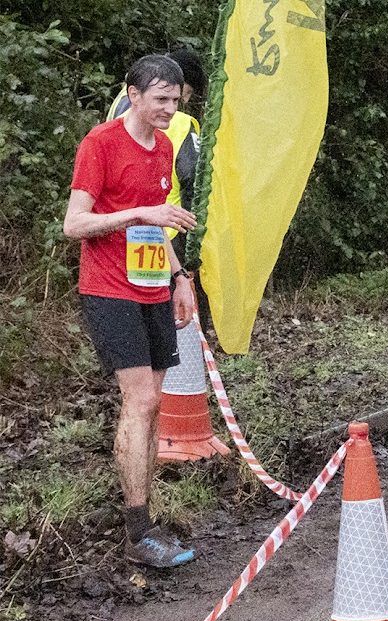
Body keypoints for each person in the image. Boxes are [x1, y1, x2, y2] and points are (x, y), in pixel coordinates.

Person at [64, 55, 199, 568]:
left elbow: (155, 228)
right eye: (160, 98)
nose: (170, 107)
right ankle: (137, 531)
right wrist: (143, 211)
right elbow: (74, 224)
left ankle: (145, 524)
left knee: (153, 405)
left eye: (176, 98)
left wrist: (179, 278)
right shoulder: (100, 143)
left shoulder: (164, 147)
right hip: (107, 288)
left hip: (152, 289)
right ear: (133, 94)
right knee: (140, 401)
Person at [108, 48, 210, 326]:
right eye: (181, 96)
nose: (176, 106)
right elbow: (192, 178)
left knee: (132, 309)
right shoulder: (180, 122)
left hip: (120, 226)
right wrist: (193, 241)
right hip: (166, 228)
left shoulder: (121, 102)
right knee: (165, 313)